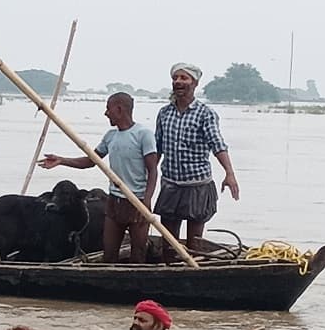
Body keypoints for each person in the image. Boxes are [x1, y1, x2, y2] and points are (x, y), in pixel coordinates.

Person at [40, 92, 158, 263]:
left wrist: (146, 201)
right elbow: (90, 161)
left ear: (119, 109)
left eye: (108, 109)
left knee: (138, 253)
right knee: (109, 253)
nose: (106, 113)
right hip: (114, 201)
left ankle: (134, 287)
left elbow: (153, 171)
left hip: (136, 201)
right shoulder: (111, 136)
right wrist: (61, 160)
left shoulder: (143, 134)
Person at [154, 63, 239, 258]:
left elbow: (218, 145)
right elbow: (157, 148)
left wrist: (230, 174)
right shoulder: (164, 113)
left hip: (197, 186)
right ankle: (168, 274)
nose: (178, 82)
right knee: (169, 243)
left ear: (195, 83)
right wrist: (146, 178)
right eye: (175, 78)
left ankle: (191, 274)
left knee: (194, 244)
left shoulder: (205, 114)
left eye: (183, 78)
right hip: (170, 184)